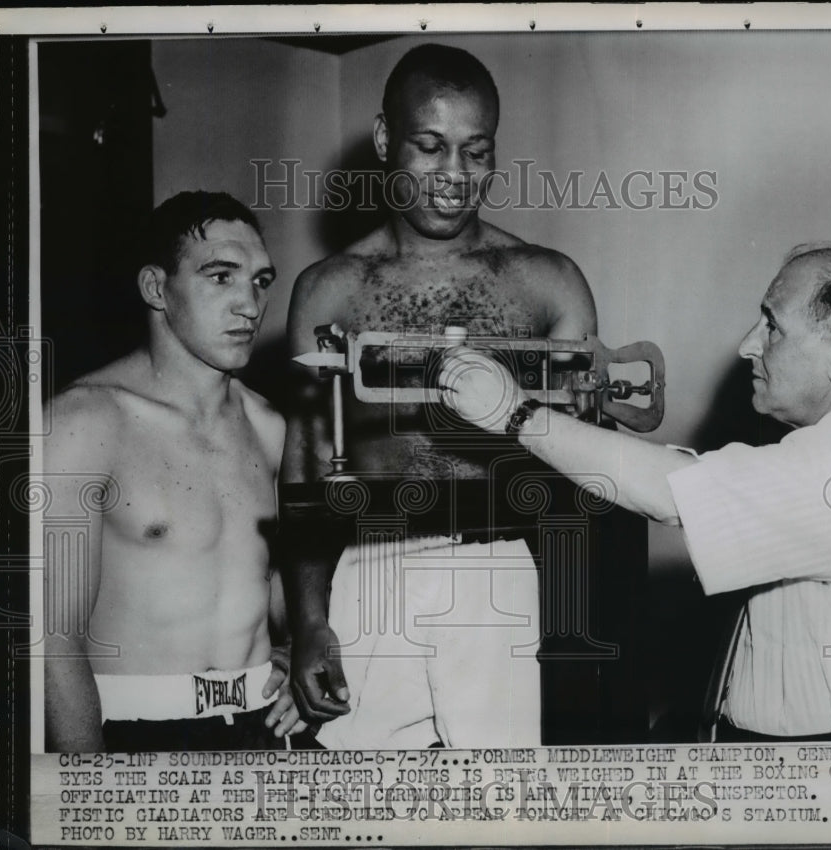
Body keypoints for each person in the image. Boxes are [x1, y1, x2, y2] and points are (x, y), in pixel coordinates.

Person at [440, 245, 831, 741]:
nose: (748, 345)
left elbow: (671, 492)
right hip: (828, 762)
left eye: (772, 326)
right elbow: (698, 479)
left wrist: (514, 414)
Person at [283, 43, 598, 748]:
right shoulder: (329, 289)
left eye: (476, 151)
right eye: (430, 147)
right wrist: (308, 623)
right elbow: (304, 466)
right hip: (371, 566)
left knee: (499, 809)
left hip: (498, 569)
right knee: (361, 801)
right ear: (387, 139)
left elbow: (588, 460)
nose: (454, 176)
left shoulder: (548, 283)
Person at [44, 191, 308, 751]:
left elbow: (275, 588)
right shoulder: (84, 421)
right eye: (221, 277)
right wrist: (86, 801)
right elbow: (51, 642)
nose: (250, 305)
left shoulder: (270, 427)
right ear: (155, 288)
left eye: (261, 281)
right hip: (135, 736)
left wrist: (298, 654)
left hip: (261, 726)